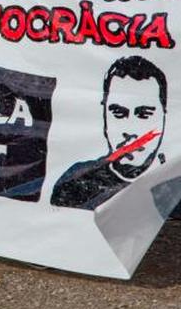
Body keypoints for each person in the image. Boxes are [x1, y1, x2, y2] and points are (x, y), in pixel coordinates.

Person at [51, 56, 169, 210]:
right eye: (119, 114)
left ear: (164, 114)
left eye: (144, 115)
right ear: (104, 113)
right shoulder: (76, 182)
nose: (130, 131)